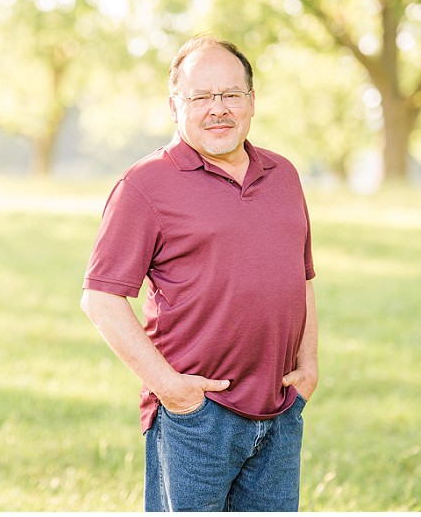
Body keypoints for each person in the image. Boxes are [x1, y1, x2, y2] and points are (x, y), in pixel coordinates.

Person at [80, 34, 318, 512]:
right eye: (201, 96)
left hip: (281, 411)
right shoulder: (145, 185)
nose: (219, 109)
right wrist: (172, 389)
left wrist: (308, 367)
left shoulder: (284, 175)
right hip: (195, 419)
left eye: (231, 94)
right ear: (174, 106)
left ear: (251, 102)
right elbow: (101, 299)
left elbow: (303, 277)